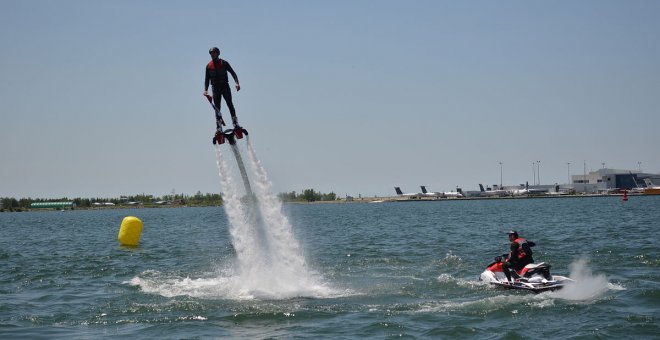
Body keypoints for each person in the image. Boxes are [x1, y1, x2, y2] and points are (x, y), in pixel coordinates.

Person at [204, 47, 241, 127]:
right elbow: (207, 79)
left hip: (224, 86)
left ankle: (235, 122)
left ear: (218, 53)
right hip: (215, 88)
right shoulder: (208, 66)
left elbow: (233, 73)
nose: (212, 54)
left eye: (214, 53)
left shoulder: (224, 63)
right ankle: (219, 124)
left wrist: (237, 83)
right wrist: (205, 90)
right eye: (211, 53)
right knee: (217, 107)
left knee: (229, 104)